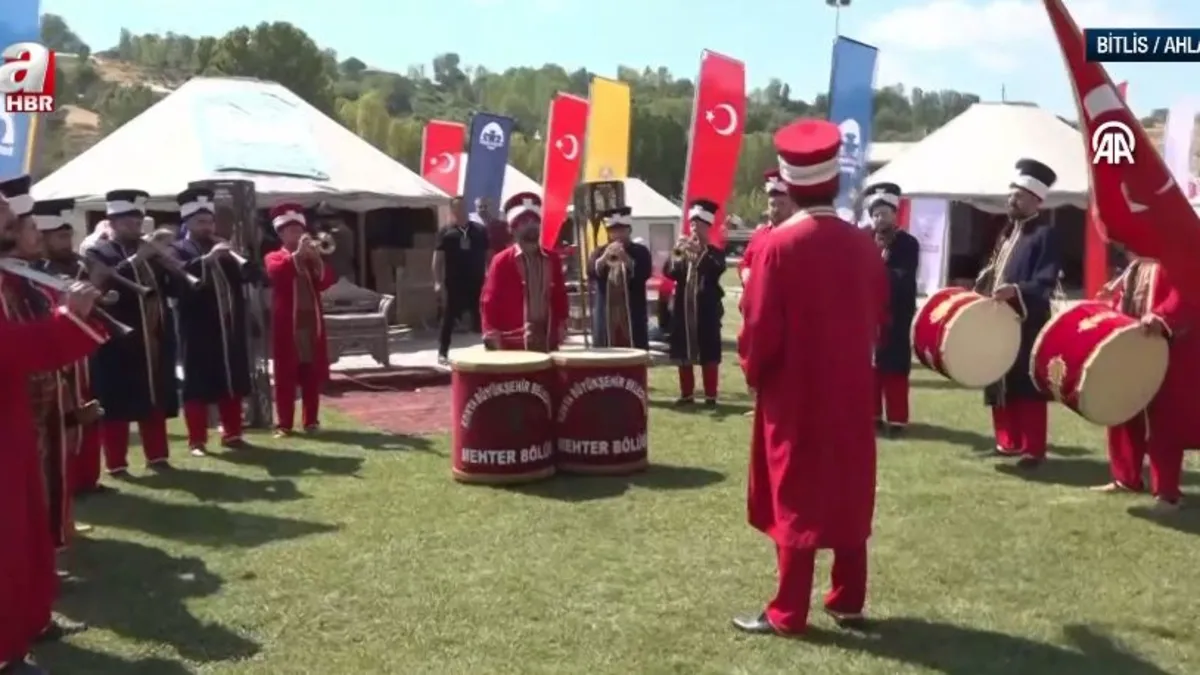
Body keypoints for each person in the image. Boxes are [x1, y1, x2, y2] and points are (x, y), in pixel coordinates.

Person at [733, 118, 889, 636]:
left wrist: (753, 370)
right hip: (851, 389)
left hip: (795, 393)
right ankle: (848, 599)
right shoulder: (863, 245)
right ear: (835, 181)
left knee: (794, 493)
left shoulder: (778, 246)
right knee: (848, 487)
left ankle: (788, 610)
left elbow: (759, 326)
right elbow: (880, 313)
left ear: (790, 185)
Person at [0, 189, 109, 675]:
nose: (11, 219)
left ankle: (25, 627)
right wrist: (70, 320)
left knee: (26, 530)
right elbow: (9, 348)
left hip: (14, 421)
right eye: (4, 215)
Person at [85, 189, 186, 474]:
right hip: (119, 338)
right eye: (128, 222)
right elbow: (104, 282)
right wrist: (138, 259)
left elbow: (173, 289)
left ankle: (158, 456)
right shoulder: (98, 252)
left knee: (154, 396)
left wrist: (172, 265)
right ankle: (116, 462)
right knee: (116, 399)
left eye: (138, 221)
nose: (135, 227)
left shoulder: (151, 251)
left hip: (155, 334)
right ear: (112, 223)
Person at [974, 159, 1063, 468]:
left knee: (1026, 385)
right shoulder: (1006, 232)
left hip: (1027, 319)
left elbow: (1045, 281)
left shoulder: (1045, 235)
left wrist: (1016, 290)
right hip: (997, 318)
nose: (1012, 200)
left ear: (1036, 200)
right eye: (1011, 195)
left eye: (1019, 196)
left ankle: (1032, 449)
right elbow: (994, 270)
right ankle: (1006, 442)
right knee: (997, 378)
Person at [1092, 257, 1199, 512]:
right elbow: (1131, 298)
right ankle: (1126, 477)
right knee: (1124, 408)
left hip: (1171, 347)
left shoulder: (1181, 256)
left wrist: (1163, 317)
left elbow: (1188, 293)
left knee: (1165, 420)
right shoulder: (1138, 262)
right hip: (1134, 345)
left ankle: (1167, 493)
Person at [32, 199, 109, 498]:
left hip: (83, 347)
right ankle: (70, 480)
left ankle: (89, 477)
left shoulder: (77, 265)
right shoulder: (34, 273)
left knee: (90, 409)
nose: (67, 243)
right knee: (65, 415)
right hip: (56, 351)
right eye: (60, 237)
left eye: (68, 236)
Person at [171, 188, 256, 456]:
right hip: (197, 328)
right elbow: (177, 278)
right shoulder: (177, 249)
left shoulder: (223, 247)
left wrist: (238, 257)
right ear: (187, 223)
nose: (207, 227)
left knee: (231, 379)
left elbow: (252, 276)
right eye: (200, 222)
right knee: (197, 384)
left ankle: (233, 434)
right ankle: (197, 441)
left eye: (209, 222)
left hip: (228, 326)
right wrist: (207, 260)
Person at [263, 203, 336, 437]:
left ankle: (311, 421)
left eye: (300, 231)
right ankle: (284, 424)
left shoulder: (310, 258)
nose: (298, 235)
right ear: (281, 234)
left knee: (311, 374)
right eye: (292, 231)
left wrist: (316, 259)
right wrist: (297, 256)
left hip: (311, 323)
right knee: (285, 375)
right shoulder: (273, 256)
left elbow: (325, 282)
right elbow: (277, 274)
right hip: (288, 324)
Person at [480, 192, 568, 351]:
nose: (531, 225)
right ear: (513, 228)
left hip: (548, 338)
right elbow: (489, 301)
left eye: (535, 221)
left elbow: (560, 295)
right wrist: (490, 331)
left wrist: (562, 323)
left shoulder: (552, 259)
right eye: (525, 222)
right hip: (514, 341)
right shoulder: (501, 261)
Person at [864, 182, 919, 437]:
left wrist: (875, 274)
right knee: (870, 366)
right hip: (867, 313)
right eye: (875, 214)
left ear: (895, 215)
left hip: (896, 312)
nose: (879, 219)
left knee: (894, 367)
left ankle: (897, 419)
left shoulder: (907, 243)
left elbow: (903, 277)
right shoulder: (865, 240)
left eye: (884, 214)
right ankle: (872, 415)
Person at [665, 199, 727, 406]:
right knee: (684, 350)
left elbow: (716, 270)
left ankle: (710, 395)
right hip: (683, 308)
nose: (693, 228)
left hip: (707, 309)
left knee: (709, 350)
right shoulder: (682, 249)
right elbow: (670, 273)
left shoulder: (715, 253)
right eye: (692, 223)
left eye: (698, 224)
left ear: (707, 226)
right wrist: (676, 254)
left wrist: (700, 252)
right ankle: (687, 394)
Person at [434, 196, 488, 364]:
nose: (461, 211)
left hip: (477, 280)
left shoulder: (479, 230)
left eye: (463, 207)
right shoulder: (445, 232)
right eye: (457, 208)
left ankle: (490, 349)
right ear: (452, 210)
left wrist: (490, 277)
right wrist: (437, 282)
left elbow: (489, 255)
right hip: (454, 282)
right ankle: (443, 352)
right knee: (448, 317)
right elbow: (437, 259)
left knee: (483, 316)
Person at [588, 206, 652, 349]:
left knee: (635, 351)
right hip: (606, 315)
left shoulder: (640, 251)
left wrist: (626, 259)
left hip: (632, 314)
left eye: (622, 230)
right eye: (613, 231)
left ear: (629, 230)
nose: (617, 235)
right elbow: (591, 272)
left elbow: (644, 273)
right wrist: (604, 258)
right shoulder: (599, 252)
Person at [737, 169, 794, 289]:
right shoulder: (759, 234)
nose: (776, 209)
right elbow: (745, 261)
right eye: (772, 204)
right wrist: (745, 272)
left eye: (782, 204)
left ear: (792, 205)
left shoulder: (797, 235)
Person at [472, 196, 511, 263]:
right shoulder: (470, 225)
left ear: (491, 207)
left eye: (485, 206)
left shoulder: (501, 226)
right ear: (476, 208)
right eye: (480, 207)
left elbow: (509, 245)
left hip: (496, 262)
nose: (483, 209)